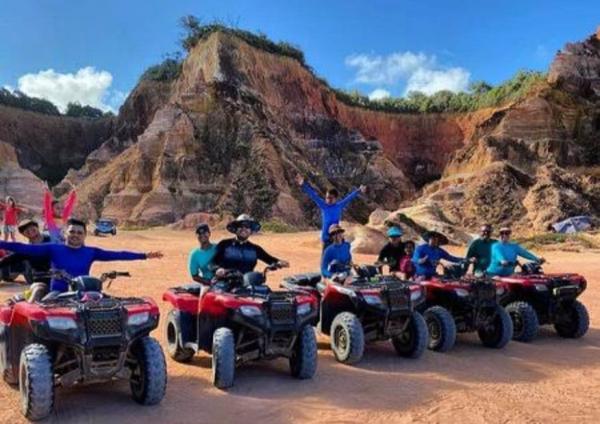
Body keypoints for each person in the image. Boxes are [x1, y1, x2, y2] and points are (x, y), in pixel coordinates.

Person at [0, 218, 163, 297]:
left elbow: (118, 254)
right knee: (41, 315)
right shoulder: (53, 248)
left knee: (113, 308)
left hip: (85, 294)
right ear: (65, 234)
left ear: (85, 235)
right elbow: (21, 248)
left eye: (79, 233)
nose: (75, 235)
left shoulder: (91, 252)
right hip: (58, 294)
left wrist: (144, 255)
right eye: (72, 232)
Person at [295, 175, 366, 250]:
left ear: (335, 198)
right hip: (326, 239)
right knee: (326, 259)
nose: (328, 200)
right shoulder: (324, 206)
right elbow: (313, 195)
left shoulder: (339, 206)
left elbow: (349, 198)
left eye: (330, 198)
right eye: (327, 197)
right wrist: (303, 184)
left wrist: (358, 190)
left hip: (336, 238)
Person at [214, 214, 288, 276]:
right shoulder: (224, 244)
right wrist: (218, 269)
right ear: (236, 228)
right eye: (241, 226)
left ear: (251, 231)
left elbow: (269, 259)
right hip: (225, 282)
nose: (244, 229)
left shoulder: (254, 249)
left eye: (247, 227)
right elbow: (211, 262)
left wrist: (279, 262)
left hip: (247, 283)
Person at [0, 220, 52, 284]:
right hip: (39, 280)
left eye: (32, 228)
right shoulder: (27, 249)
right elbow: (9, 259)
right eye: (27, 231)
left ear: (37, 228)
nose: (30, 231)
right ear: (23, 235)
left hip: (58, 277)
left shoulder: (52, 239)